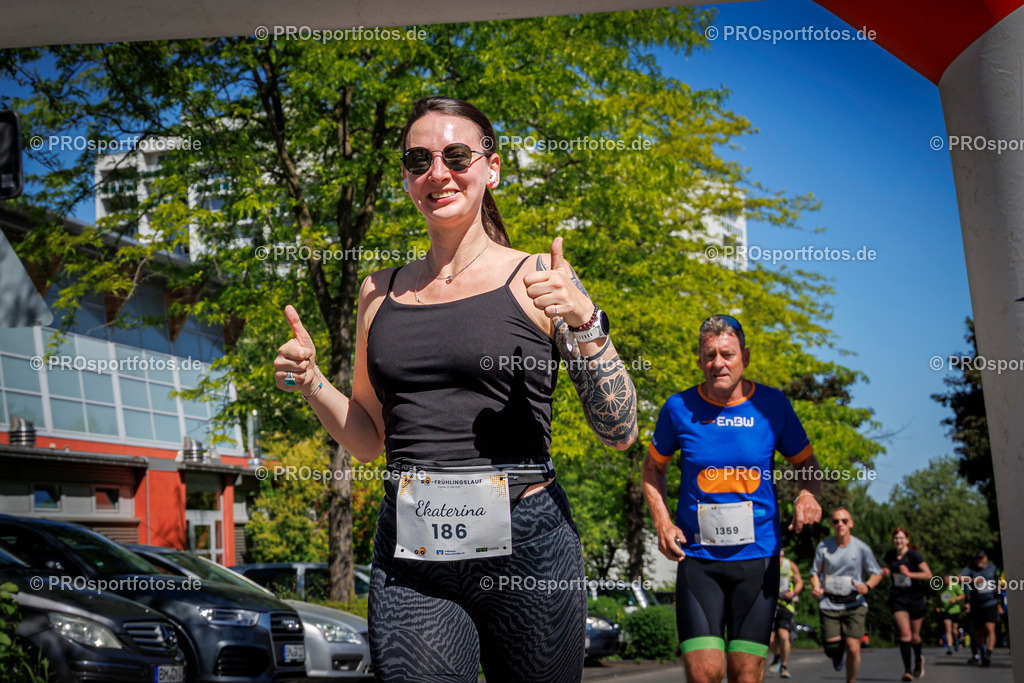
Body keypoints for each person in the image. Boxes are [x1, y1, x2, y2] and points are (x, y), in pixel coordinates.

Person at [274, 96, 638, 682]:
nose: (437, 172)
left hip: (527, 545)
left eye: (456, 155)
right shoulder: (378, 292)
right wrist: (312, 381)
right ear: (406, 178)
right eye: (419, 160)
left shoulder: (538, 278)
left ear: (491, 168)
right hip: (414, 551)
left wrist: (585, 322)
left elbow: (620, 432)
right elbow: (368, 440)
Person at [643, 314, 823, 683]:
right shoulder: (678, 408)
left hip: (758, 562)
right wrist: (662, 522)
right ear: (699, 360)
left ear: (746, 356)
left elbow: (807, 463)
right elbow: (652, 469)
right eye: (709, 355)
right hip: (698, 561)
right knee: (705, 673)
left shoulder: (772, 407)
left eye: (727, 354)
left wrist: (807, 494)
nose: (718, 363)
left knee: (744, 674)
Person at [810, 507, 883, 683]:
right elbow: (814, 573)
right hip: (829, 603)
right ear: (832, 525)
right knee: (832, 649)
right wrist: (816, 588)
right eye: (836, 521)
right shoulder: (824, 547)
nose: (840, 524)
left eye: (844, 521)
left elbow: (877, 573)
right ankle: (836, 653)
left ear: (851, 523)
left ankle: (851, 680)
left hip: (854, 603)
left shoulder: (861, 548)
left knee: (853, 648)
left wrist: (867, 586)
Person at [881, 528, 932, 680]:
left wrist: (910, 574)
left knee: (915, 637)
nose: (898, 541)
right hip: (897, 598)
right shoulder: (890, 555)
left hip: (915, 597)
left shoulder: (914, 555)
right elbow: (886, 568)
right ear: (893, 541)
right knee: (905, 634)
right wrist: (885, 571)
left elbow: (928, 575)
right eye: (896, 538)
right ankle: (907, 671)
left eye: (901, 538)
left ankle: (918, 660)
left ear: (907, 541)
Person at [960, 550, 1000, 667]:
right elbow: (959, 578)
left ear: (986, 558)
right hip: (977, 605)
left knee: (990, 627)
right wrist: (973, 580)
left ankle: (988, 654)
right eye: (977, 559)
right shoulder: (970, 569)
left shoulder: (992, 568)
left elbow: (999, 580)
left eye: (981, 558)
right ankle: (982, 651)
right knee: (978, 631)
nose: (979, 561)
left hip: (991, 603)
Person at [768, 548, 803, 678]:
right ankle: (777, 654)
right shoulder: (767, 564)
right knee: (769, 639)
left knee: (783, 636)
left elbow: (799, 582)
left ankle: (784, 665)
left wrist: (793, 593)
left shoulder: (790, 565)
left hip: (786, 605)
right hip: (770, 604)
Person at [936, 575, 965, 655]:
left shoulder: (955, 586)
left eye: (948, 580)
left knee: (954, 630)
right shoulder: (941, 588)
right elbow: (939, 597)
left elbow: (962, 595)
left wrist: (955, 599)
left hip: (955, 610)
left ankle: (956, 640)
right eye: (945, 581)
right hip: (945, 610)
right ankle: (949, 646)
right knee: (947, 628)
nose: (947, 582)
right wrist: (938, 606)